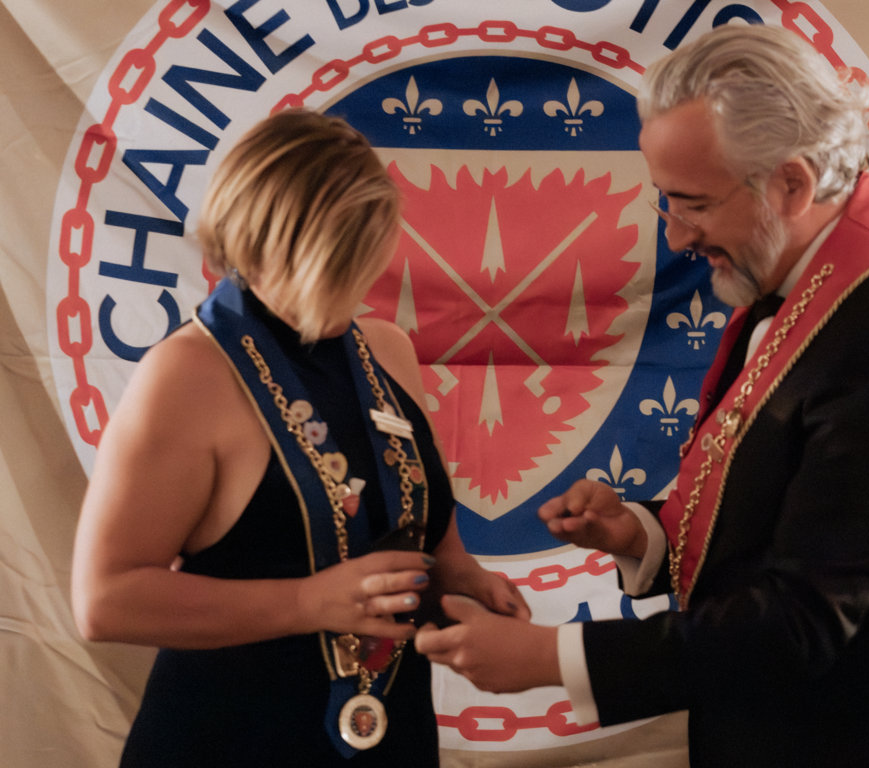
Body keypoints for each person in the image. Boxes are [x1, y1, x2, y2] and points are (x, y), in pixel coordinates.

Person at [415, 24, 869, 767]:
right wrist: (642, 534)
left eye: (693, 204)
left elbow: (799, 624)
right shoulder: (802, 278)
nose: (676, 237)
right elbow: (785, 511)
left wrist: (550, 658)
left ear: (792, 184)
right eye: (665, 202)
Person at [70, 109, 529, 767]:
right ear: (276, 243)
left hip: (388, 732)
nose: (364, 277)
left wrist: (466, 582)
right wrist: (306, 603)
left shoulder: (387, 352)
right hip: (230, 741)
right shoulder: (187, 373)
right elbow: (105, 601)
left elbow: (428, 539)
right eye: (344, 255)